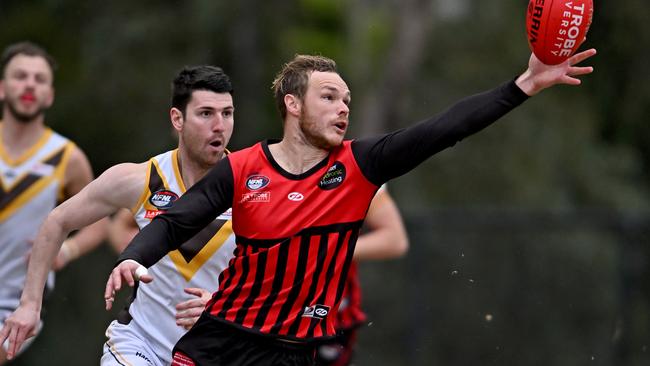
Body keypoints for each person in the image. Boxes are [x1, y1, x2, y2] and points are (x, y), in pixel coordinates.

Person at [105, 49, 596, 366]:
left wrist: (524, 84)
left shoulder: (360, 166)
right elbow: (175, 221)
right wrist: (133, 255)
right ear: (293, 105)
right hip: (217, 342)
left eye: (347, 99)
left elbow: (444, 128)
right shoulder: (242, 168)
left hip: (293, 353)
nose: (344, 107)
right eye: (329, 96)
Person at [0, 65, 238, 365]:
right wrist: (29, 305)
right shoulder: (138, 179)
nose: (219, 126)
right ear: (177, 119)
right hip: (140, 344)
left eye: (227, 114)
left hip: (218, 351)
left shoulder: (254, 188)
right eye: (206, 114)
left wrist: (224, 308)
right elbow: (57, 221)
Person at [0, 41, 106, 364]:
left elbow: (100, 223)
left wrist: (67, 250)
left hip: (18, 300)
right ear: (2, 89)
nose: (30, 84)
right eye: (20, 76)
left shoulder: (67, 158)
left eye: (39, 79)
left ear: (50, 95)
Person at [316, 185, 409, 366]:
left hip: (330, 315)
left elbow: (395, 239)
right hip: (261, 310)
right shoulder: (253, 165)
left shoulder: (353, 163)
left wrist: (324, 250)